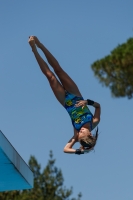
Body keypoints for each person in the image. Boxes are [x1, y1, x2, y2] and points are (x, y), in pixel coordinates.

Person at [28, 36, 101, 155]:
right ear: (90, 134)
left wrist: (79, 151)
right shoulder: (95, 121)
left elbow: (65, 149)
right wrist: (88, 102)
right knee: (58, 70)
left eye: (80, 135)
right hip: (76, 95)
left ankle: (34, 49)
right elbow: (98, 106)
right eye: (83, 133)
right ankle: (40, 45)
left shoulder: (76, 135)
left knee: (50, 77)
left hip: (65, 103)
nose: (81, 131)